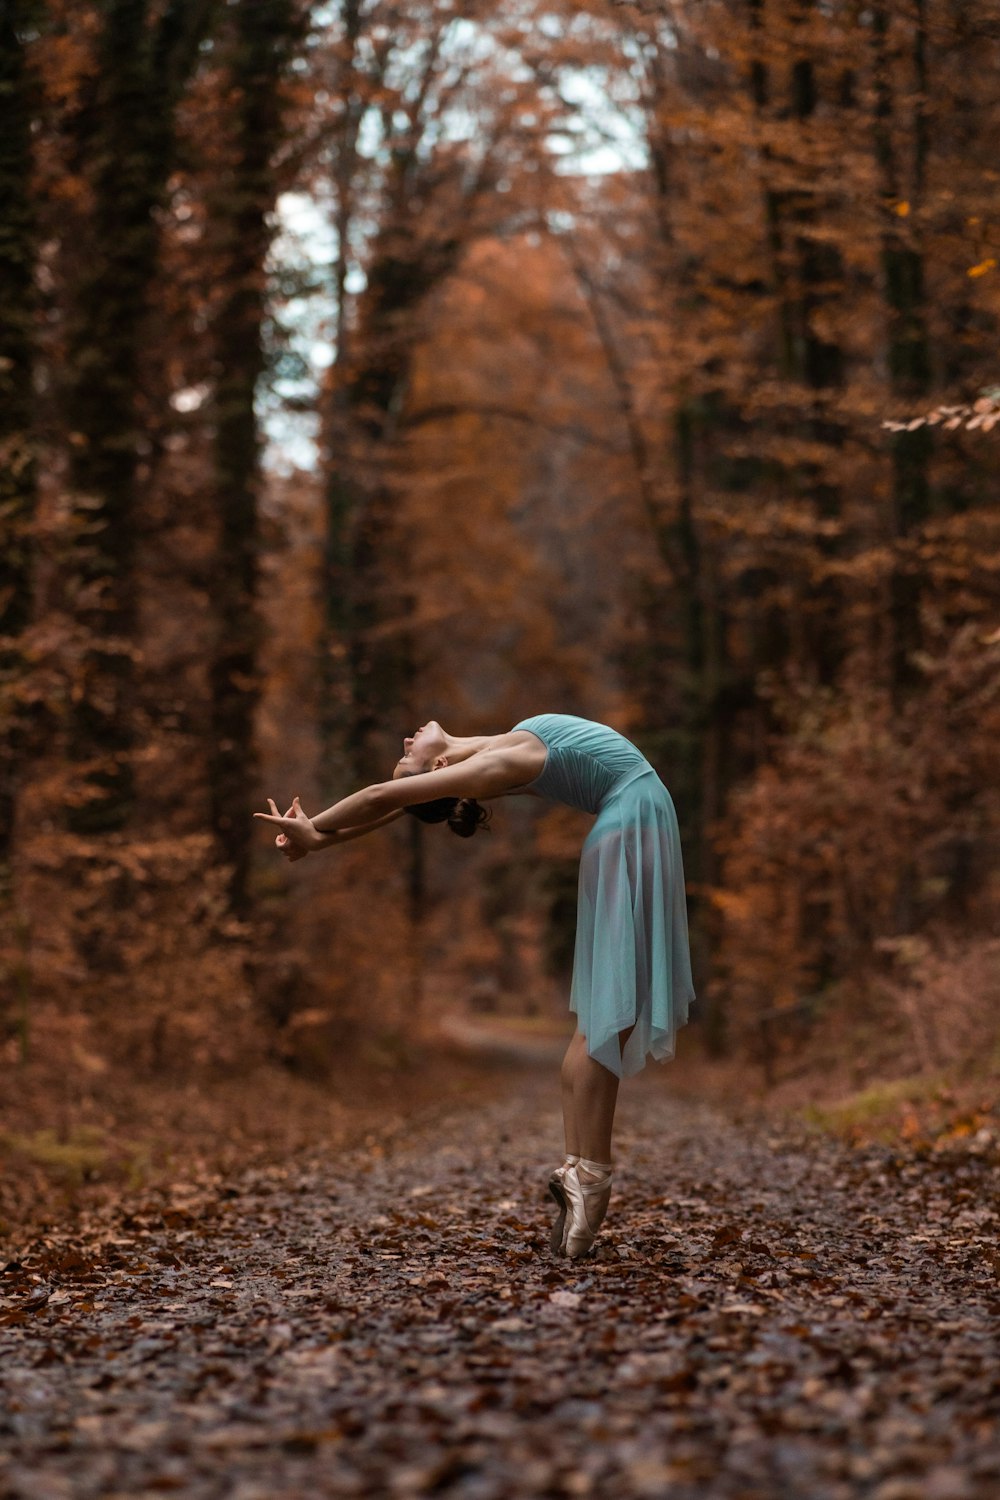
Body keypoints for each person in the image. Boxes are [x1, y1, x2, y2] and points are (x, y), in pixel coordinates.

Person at [254, 714, 695, 1258]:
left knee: (604, 1018)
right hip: (635, 822)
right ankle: (590, 1179)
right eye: (409, 757)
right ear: (439, 767)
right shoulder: (500, 762)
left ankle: (582, 1172)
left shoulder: (494, 752)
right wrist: (316, 829)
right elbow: (379, 795)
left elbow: (391, 805)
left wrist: (318, 839)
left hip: (629, 822)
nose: (406, 740)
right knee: (609, 1016)